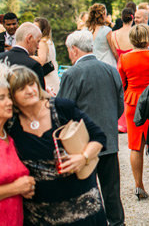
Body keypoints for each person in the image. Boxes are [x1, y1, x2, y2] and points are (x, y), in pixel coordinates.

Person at [8, 65, 107, 225]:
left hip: (83, 208)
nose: (30, 90)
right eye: (21, 88)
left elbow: (99, 136)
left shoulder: (61, 108)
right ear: (11, 96)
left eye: (32, 84)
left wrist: (84, 157)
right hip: (40, 215)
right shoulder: (10, 124)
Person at [57, 30, 125, 226]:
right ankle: (117, 223)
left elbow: (63, 110)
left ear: (75, 50)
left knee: (86, 192)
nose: (69, 54)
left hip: (82, 145)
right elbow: (119, 104)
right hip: (109, 139)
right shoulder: (111, 70)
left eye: (69, 50)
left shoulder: (71, 74)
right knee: (112, 190)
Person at [118, 24, 149, 201]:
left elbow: (121, 83)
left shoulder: (124, 58)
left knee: (135, 146)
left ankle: (139, 186)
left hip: (132, 102)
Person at [0, 61, 35, 226]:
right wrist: (16, 188)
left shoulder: (10, 136)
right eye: (1, 98)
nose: (9, 102)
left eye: (8, 96)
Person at [0, 23, 46, 92]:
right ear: (29, 38)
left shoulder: (1, 58)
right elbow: (39, 95)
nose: (38, 46)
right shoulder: (33, 65)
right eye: (38, 41)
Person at [31, 17, 60, 96]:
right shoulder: (49, 41)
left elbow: (41, 61)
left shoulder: (42, 42)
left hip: (48, 79)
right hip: (53, 76)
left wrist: (28, 55)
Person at [86, 3, 116, 67]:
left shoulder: (86, 30)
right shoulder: (106, 31)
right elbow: (114, 51)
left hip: (92, 65)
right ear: (103, 15)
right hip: (107, 64)